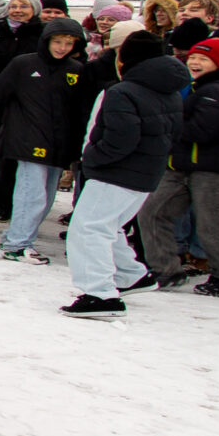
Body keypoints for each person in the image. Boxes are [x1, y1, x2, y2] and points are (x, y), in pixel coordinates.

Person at [61, 32, 189, 318]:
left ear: (125, 58)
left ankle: (100, 294)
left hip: (115, 173)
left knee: (89, 229)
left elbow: (120, 139)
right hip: (145, 173)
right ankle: (131, 275)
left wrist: (91, 159)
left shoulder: (123, 91)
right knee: (110, 225)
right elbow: (174, 134)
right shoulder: (168, 90)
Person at [0, 18, 98, 261]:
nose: (62, 47)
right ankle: (17, 244)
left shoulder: (76, 70)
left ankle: (18, 236)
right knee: (31, 194)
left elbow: (81, 112)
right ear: (47, 40)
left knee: (46, 198)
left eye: (68, 42)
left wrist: (78, 146)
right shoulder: (24, 64)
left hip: (59, 145)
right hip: (27, 140)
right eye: (57, 41)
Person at [138, 37, 219, 297]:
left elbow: (202, 131)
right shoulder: (200, 87)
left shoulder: (217, 92)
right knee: (153, 211)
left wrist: (163, 124)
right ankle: (165, 268)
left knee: (211, 222)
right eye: (194, 57)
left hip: (213, 170)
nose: (196, 62)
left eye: (204, 59)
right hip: (183, 165)